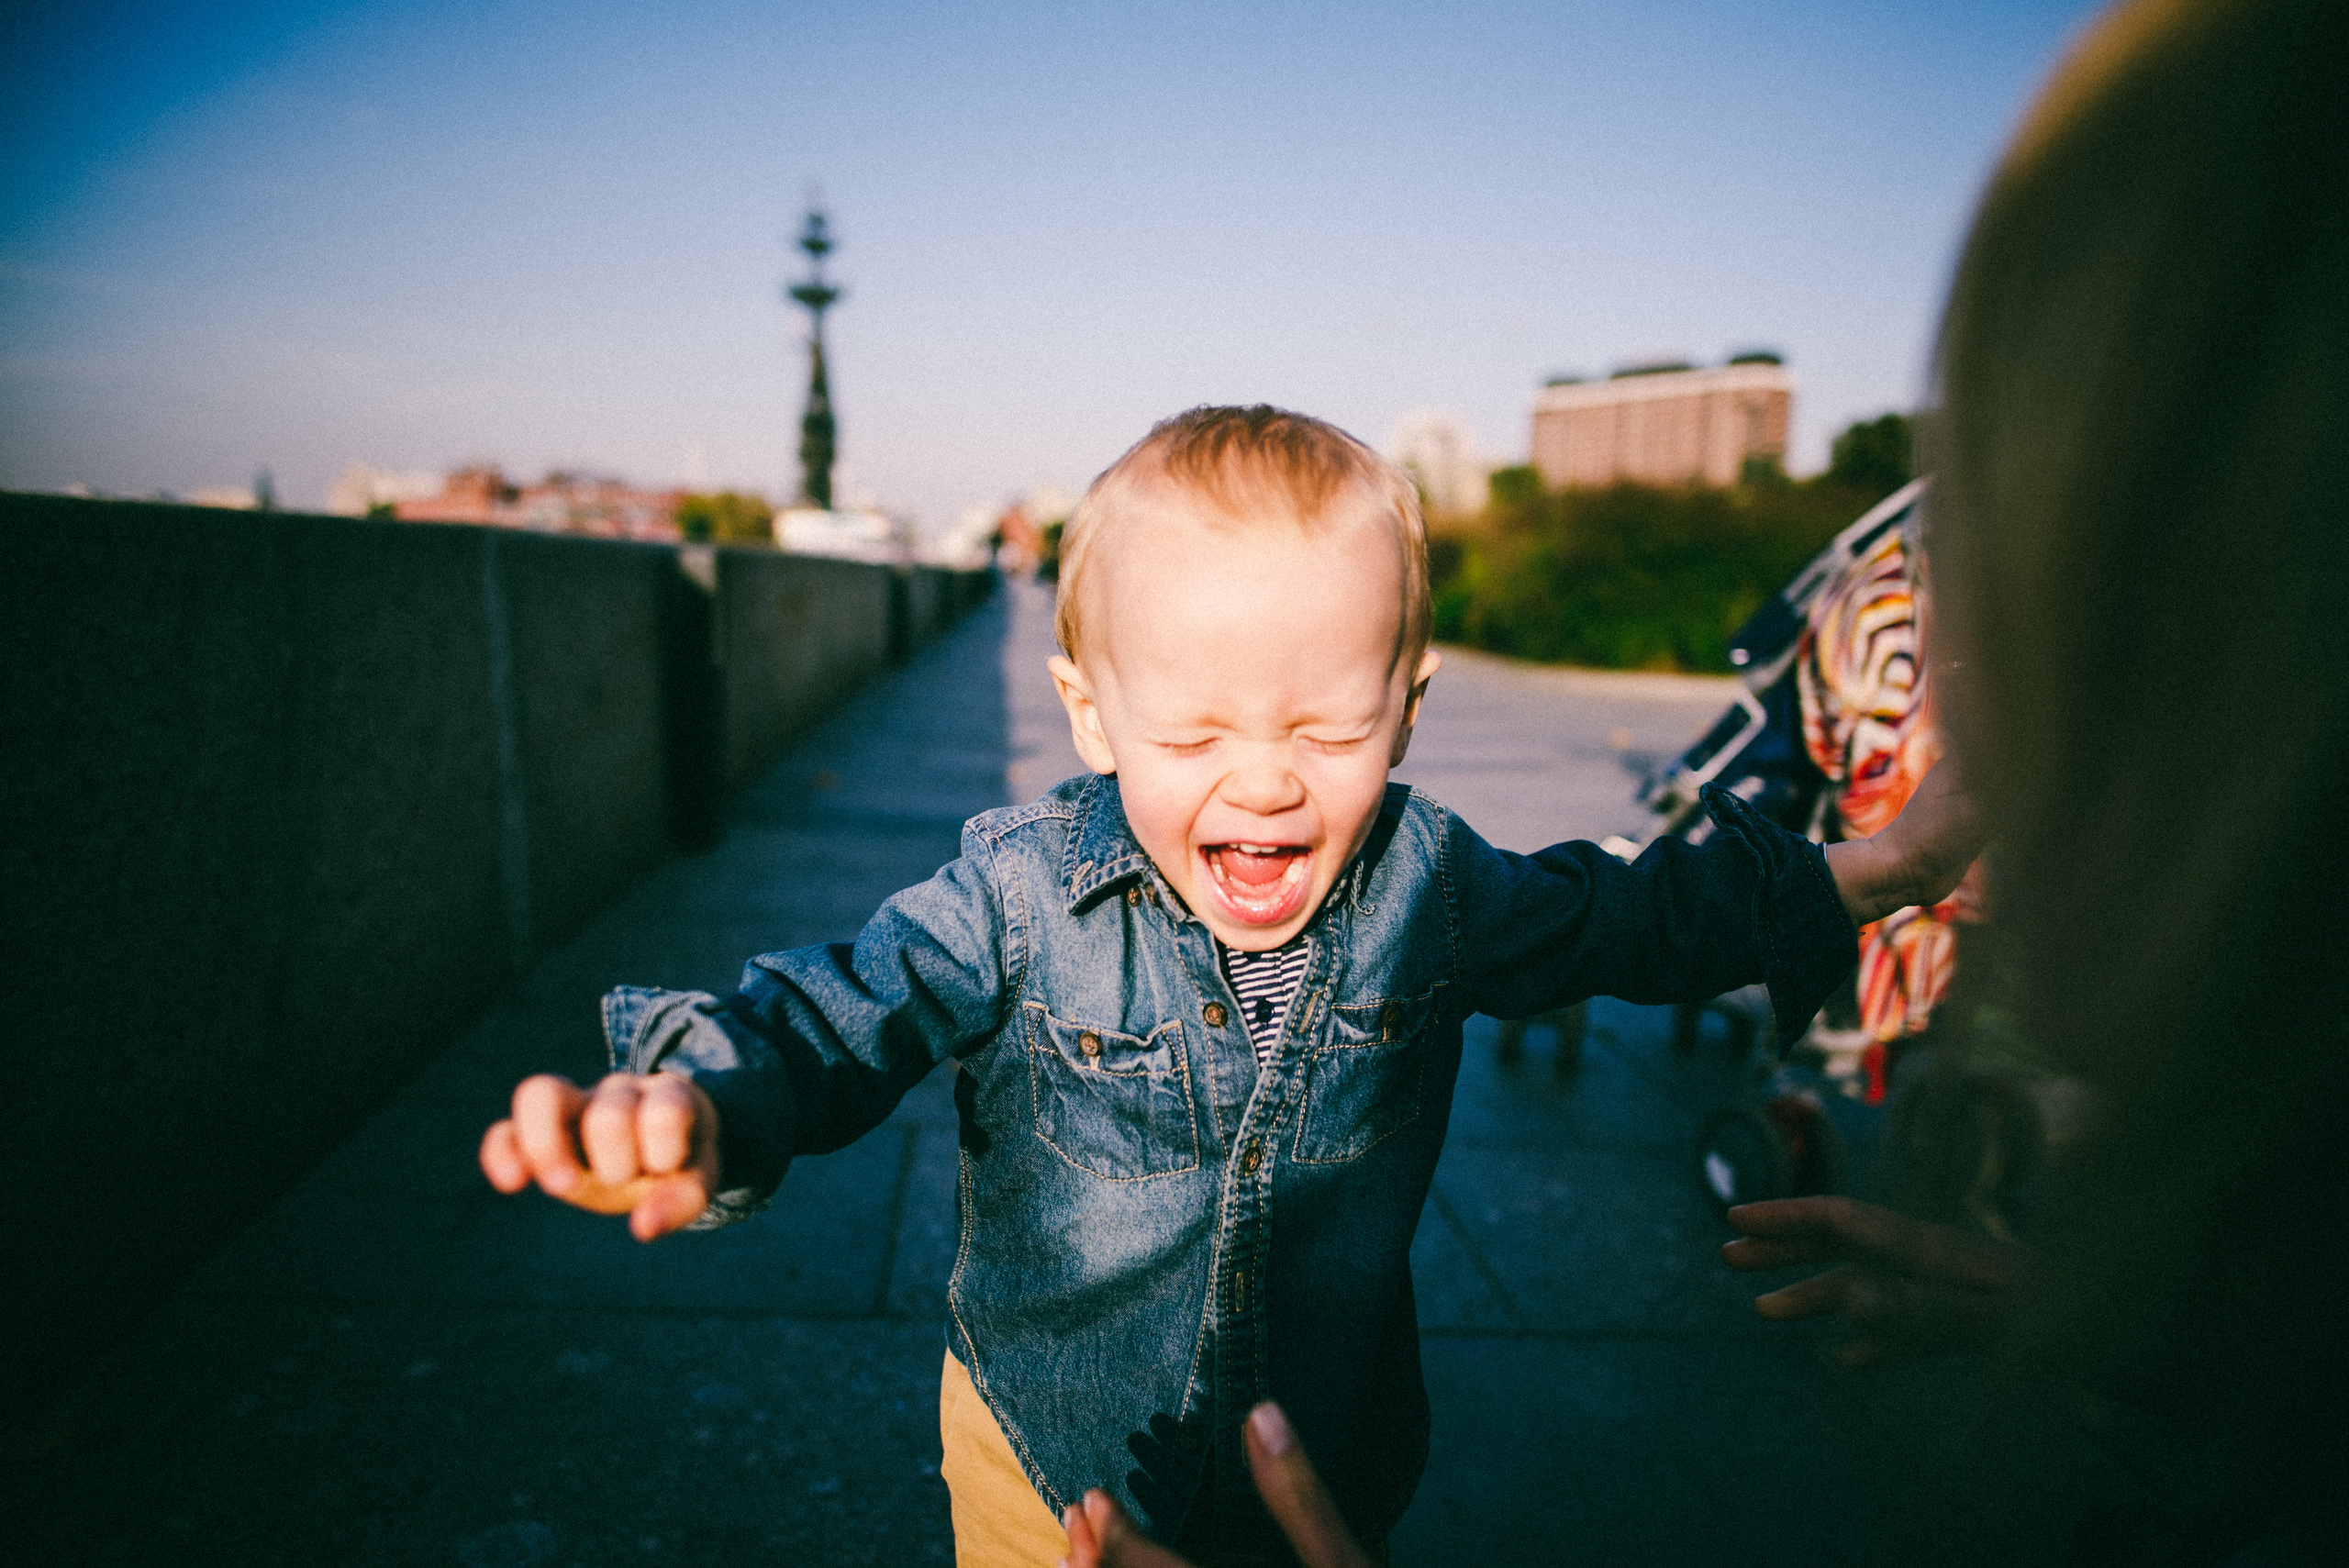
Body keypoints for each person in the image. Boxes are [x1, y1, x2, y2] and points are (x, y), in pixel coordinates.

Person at [480, 405, 1983, 1566]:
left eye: (1326, 728)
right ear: (1089, 712)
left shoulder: (1432, 883)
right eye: (1192, 734)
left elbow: (1633, 916)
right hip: (1042, 1456)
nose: (1262, 783)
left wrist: (1890, 859)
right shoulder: (1014, 891)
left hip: (1315, 1462)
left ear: (1406, 704)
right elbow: (829, 1013)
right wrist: (697, 1095)